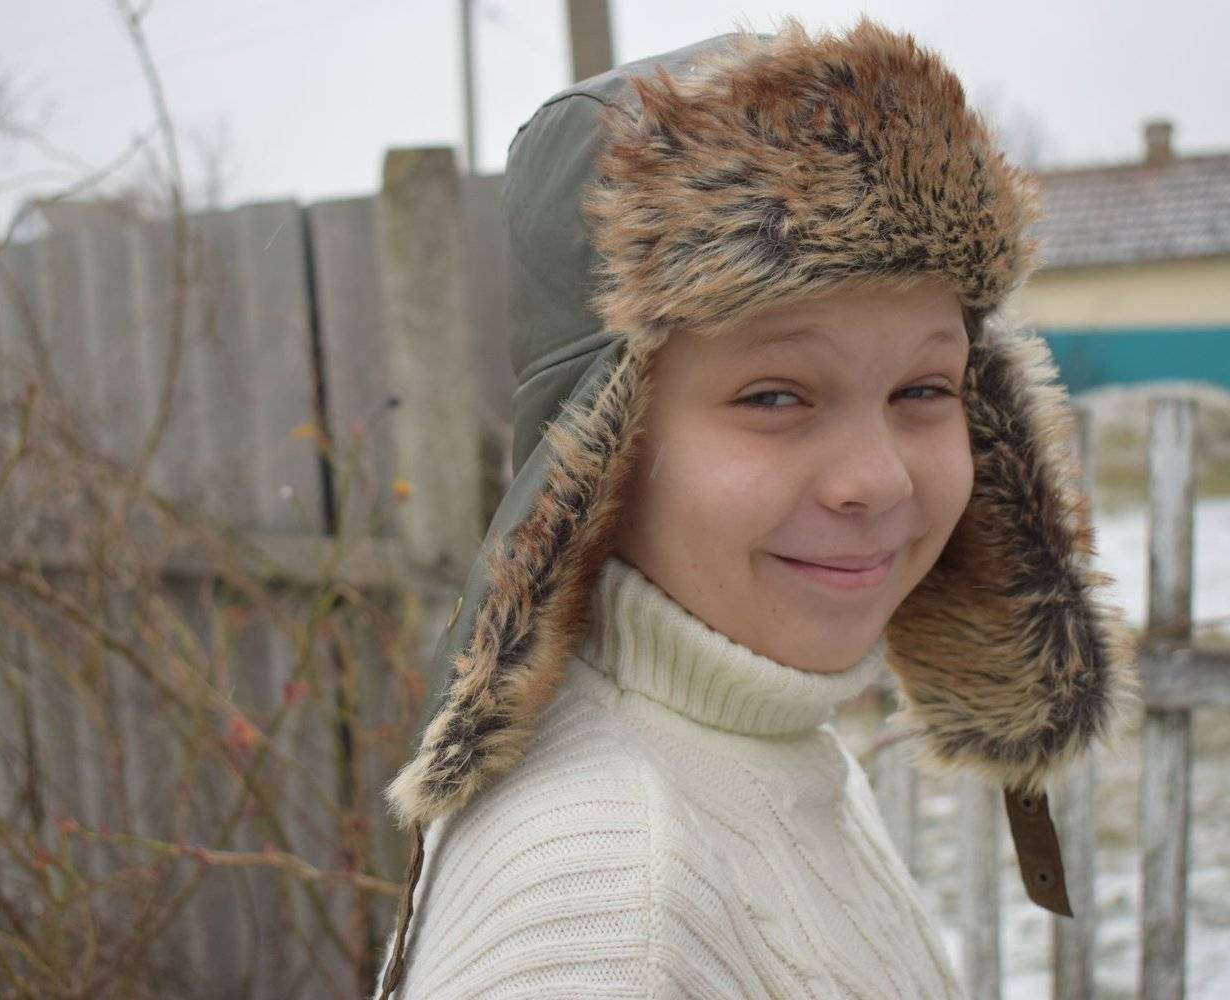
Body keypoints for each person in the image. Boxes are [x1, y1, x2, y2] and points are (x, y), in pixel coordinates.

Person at [372, 16, 1139, 999]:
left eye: (924, 389)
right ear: (601, 443)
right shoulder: (603, 912)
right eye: (776, 396)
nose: (879, 479)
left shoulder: (755, 741)